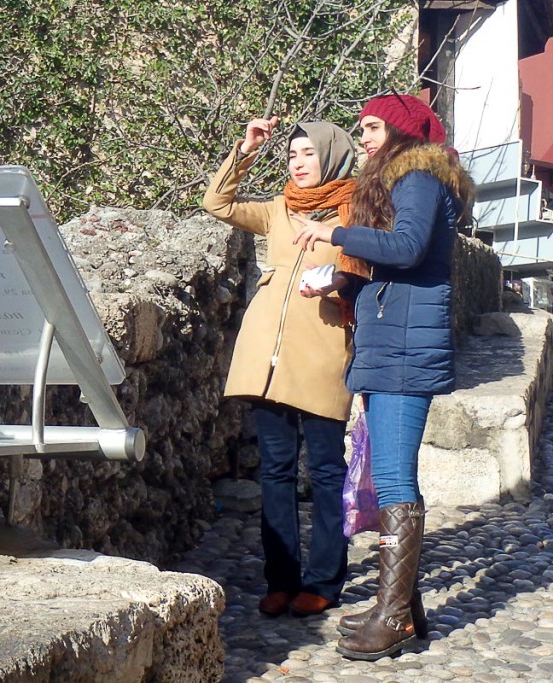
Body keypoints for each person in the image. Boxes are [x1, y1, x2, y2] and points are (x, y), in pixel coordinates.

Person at [292, 94, 474, 660]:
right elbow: (399, 258)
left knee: (395, 480)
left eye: (371, 126)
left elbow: (408, 247)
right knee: (392, 475)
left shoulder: (418, 176)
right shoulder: (408, 178)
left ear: (398, 129)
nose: (363, 136)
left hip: (403, 348)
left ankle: (392, 616)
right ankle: (404, 607)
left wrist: (335, 234)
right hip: (392, 343)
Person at [203, 116, 369, 618]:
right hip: (264, 357)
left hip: (323, 352)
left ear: (332, 157)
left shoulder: (356, 210)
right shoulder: (278, 209)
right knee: (274, 472)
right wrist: (246, 149)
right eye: (292, 155)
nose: (297, 164)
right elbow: (217, 203)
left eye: (308, 155)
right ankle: (280, 578)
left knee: (323, 470)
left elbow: (369, 271)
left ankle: (323, 580)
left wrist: (338, 283)